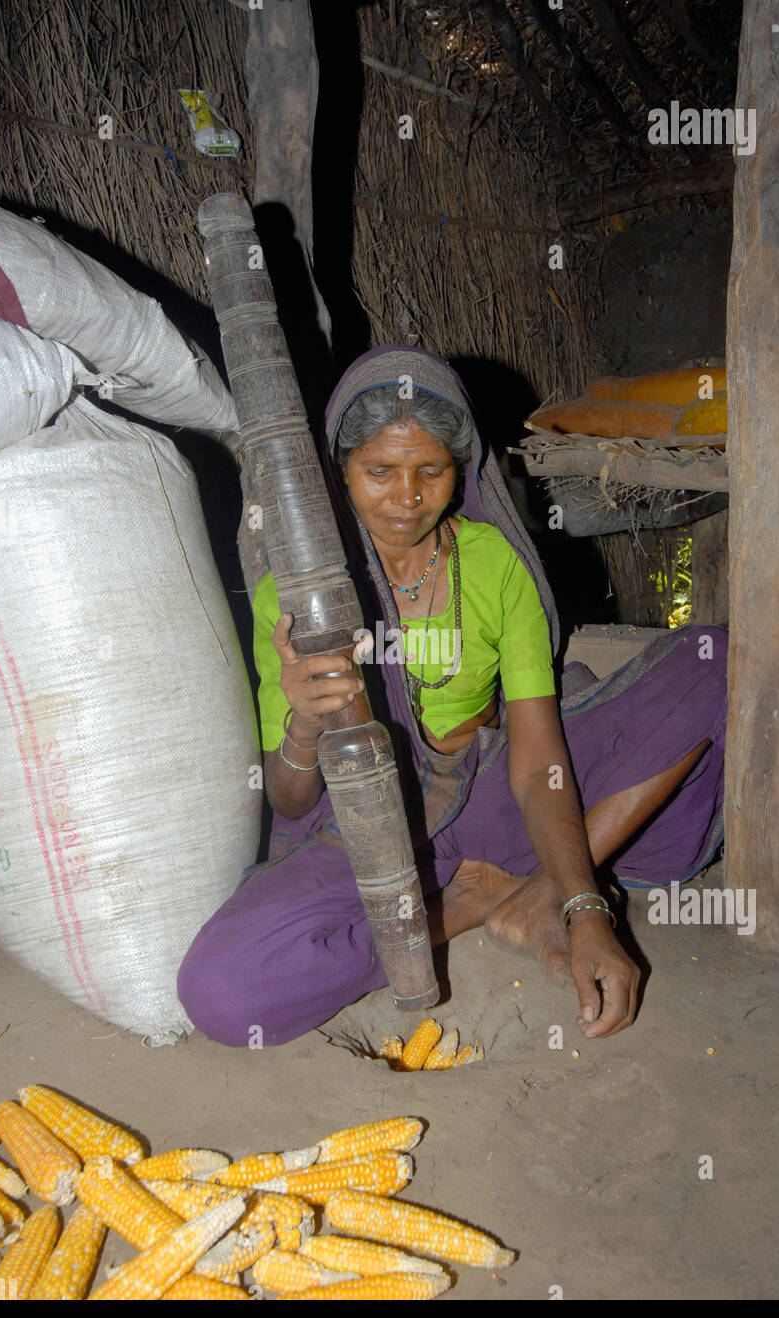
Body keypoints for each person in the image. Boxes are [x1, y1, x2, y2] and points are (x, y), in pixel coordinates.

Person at [178, 346, 727, 1046]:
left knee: (713, 663)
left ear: (460, 469)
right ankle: (464, 903)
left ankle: (540, 890)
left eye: (430, 471)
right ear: (339, 472)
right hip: (359, 827)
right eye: (379, 471)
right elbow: (289, 799)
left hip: (493, 796)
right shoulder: (294, 596)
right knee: (220, 990)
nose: (406, 499)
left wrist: (586, 908)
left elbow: (537, 760)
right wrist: (304, 726)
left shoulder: (496, 565)